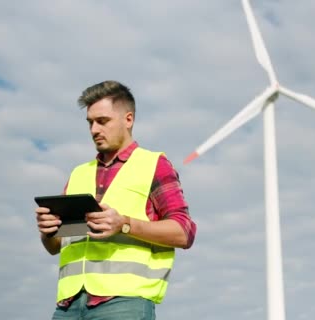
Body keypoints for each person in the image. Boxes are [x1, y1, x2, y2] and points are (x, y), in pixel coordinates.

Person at [35, 80, 197, 320]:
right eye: (90, 122)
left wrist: (123, 223)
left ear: (128, 119)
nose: (94, 130)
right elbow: (54, 247)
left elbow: (184, 232)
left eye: (103, 121)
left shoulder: (154, 165)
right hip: (68, 306)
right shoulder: (79, 173)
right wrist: (48, 231)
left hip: (123, 304)